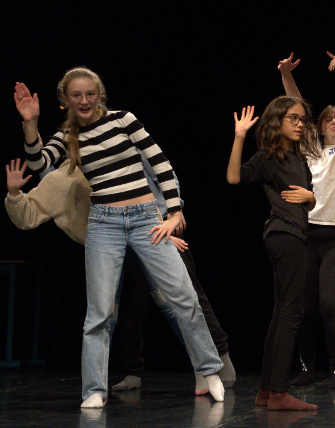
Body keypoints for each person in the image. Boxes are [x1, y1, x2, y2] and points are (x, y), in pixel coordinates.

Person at [15, 68, 224, 408]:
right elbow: (39, 161)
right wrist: (29, 122)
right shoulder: (66, 135)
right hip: (104, 223)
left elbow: (159, 163)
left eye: (90, 94)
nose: (84, 100)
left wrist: (173, 212)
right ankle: (94, 390)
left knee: (183, 296)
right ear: (65, 100)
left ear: (99, 95)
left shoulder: (124, 120)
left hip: (145, 218)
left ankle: (210, 369)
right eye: (76, 95)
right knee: (98, 313)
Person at [5, 156, 235, 394]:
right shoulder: (63, 177)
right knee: (105, 315)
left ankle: (205, 369)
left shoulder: (118, 153)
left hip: (146, 233)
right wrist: (14, 192)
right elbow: (34, 205)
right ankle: (100, 387)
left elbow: (148, 189)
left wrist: (166, 223)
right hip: (108, 245)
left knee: (174, 301)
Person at [226, 99, 318, 411]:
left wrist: (311, 197)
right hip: (285, 235)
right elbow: (234, 177)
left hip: (292, 234)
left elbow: (309, 201)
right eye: (293, 118)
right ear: (277, 120)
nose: (300, 124)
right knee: (292, 313)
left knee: (281, 313)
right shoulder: (269, 158)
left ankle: (266, 391)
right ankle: (279, 393)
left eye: (302, 120)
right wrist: (239, 136)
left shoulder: (299, 158)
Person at [276, 52, 335, 389]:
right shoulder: (310, 149)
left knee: (330, 304)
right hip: (308, 235)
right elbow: (297, 107)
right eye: (329, 120)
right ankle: (307, 369)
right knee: (305, 308)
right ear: (320, 126)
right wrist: (285, 74)